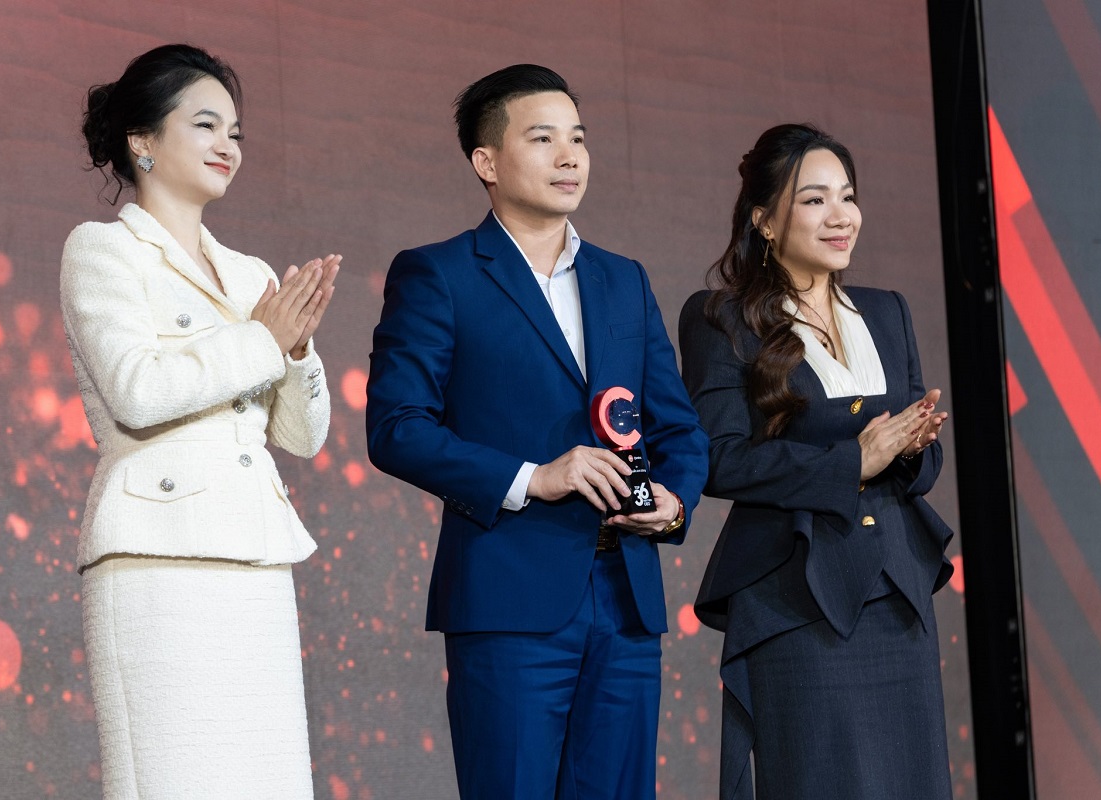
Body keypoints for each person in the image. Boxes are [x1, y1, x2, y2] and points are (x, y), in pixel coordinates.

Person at [365, 64, 708, 799]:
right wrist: (534, 478)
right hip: (509, 596)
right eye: (543, 138)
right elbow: (397, 427)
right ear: (486, 162)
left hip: (627, 597)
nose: (569, 156)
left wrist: (674, 503)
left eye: (578, 138)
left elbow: (679, 428)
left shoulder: (624, 279)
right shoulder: (439, 274)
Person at [61, 44, 339, 799]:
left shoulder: (252, 274)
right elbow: (137, 391)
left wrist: (298, 350)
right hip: (158, 557)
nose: (228, 146)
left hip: (255, 556)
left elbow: (300, 437)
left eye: (236, 132)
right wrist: (262, 340)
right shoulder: (104, 251)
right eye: (206, 125)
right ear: (142, 140)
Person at [679, 123, 954, 799]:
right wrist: (850, 462)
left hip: (897, 594)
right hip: (795, 597)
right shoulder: (721, 318)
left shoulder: (886, 312)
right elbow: (719, 459)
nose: (841, 216)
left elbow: (919, 461)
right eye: (814, 200)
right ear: (764, 221)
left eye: (848, 197)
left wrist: (914, 448)